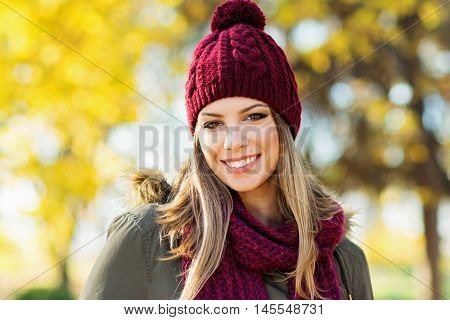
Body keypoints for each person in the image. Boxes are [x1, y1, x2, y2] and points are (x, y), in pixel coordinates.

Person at [79, 0, 373, 300]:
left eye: (253, 116)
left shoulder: (342, 260)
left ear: (284, 128)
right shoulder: (147, 239)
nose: (234, 141)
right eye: (213, 124)